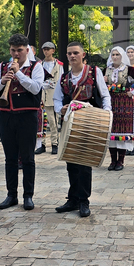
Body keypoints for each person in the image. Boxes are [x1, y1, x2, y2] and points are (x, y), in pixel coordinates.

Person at [53, 41, 111, 218]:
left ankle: (84, 200)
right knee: (71, 161)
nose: (72, 56)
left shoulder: (94, 72)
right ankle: (73, 199)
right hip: (70, 124)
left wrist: (107, 114)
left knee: (84, 163)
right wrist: (60, 109)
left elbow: (105, 95)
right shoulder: (64, 77)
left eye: (75, 53)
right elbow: (56, 99)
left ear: (83, 55)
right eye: (69, 53)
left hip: (89, 123)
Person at [0, 34, 44, 211]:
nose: (16, 54)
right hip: (6, 116)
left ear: (27, 50)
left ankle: (28, 196)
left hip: (27, 117)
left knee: (28, 158)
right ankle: (11, 195)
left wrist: (18, 73)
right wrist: (2, 81)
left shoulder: (36, 66)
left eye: (19, 50)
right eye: (13, 50)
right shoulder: (2, 67)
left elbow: (36, 88)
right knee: (10, 158)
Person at [104, 46, 134, 172]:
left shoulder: (128, 69)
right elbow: (99, 85)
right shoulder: (106, 69)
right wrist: (103, 81)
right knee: (111, 132)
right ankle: (113, 160)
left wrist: (133, 92)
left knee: (122, 132)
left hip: (124, 103)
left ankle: (121, 161)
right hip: (111, 102)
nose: (115, 57)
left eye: (117, 54)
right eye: (113, 54)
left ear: (122, 56)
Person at [39, 41, 64, 155]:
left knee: (53, 122)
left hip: (53, 95)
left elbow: (61, 80)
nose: (46, 51)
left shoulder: (59, 65)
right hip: (42, 95)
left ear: (53, 50)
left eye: (48, 49)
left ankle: (55, 143)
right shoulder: (40, 64)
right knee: (41, 121)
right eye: (44, 49)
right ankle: (42, 144)